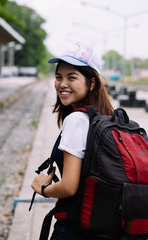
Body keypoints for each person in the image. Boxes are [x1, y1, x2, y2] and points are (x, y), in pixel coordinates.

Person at [31, 42, 114, 239]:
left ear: (92, 83)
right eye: (58, 77)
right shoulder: (106, 117)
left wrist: (42, 187)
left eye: (72, 77)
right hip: (102, 228)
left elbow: (69, 186)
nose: (62, 84)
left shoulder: (77, 119)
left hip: (74, 229)